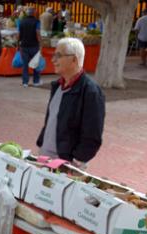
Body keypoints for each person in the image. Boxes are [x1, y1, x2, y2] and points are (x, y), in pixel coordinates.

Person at [36, 38, 104, 170]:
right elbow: (52, 119)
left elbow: (93, 134)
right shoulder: (58, 86)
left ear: (74, 60)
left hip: (67, 164)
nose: (53, 60)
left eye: (58, 56)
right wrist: (42, 143)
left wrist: (77, 160)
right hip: (45, 157)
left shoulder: (90, 91)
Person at [18, 7, 41, 87]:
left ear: (27, 14)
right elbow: (37, 33)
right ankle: (36, 81)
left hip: (24, 46)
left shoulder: (22, 22)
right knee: (35, 63)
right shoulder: (37, 22)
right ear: (33, 13)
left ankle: (25, 82)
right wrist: (40, 43)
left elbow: (19, 34)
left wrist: (19, 44)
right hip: (34, 45)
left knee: (25, 65)